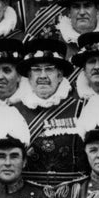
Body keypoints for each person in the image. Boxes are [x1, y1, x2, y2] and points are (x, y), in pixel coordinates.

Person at [14, 38, 84, 186]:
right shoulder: (14, 112)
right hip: (30, 196)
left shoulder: (81, 109)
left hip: (70, 194)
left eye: (49, 69)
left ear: (60, 76)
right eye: (37, 70)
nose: (43, 76)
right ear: (29, 76)